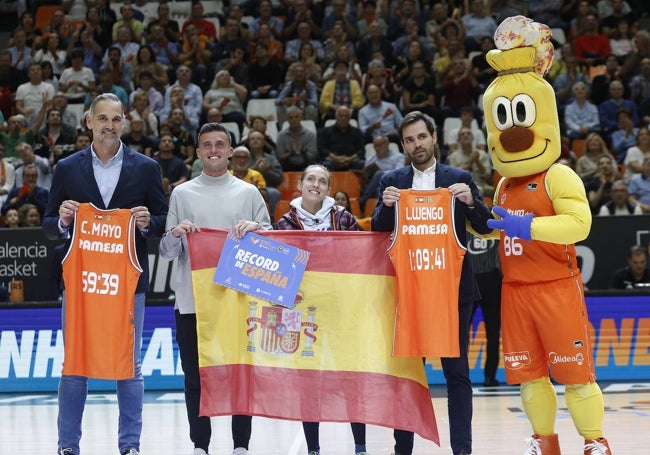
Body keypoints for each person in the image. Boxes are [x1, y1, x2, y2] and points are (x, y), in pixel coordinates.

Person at [42, 92, 168, 455]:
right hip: (82, 285)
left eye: (116, 119)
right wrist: (64, 220)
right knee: (75, 361)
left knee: (129, 364)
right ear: (89, 122)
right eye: (102, 119)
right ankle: (68, 446)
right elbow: (49, 227)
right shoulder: (66, 168)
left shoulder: (145, 167)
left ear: (124, 122)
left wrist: (147, 223)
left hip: (128, 286)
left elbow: (161, 222)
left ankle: (129, 446)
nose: (109, 126)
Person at [371, 111, 493, 455]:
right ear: (403, 145)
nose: (416, 145)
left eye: (421, 137)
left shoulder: (459, 178)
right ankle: (403, 450)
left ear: (434, 137)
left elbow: (485, 227)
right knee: (409, 375)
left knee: (457, 374)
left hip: (454, 292)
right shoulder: (391, 181)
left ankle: (462, 450)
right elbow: (379, 231)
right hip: (409, 293)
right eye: (409, 140)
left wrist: (471, 201)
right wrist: (385, 205)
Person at [159, 122, 271, 455]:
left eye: (219, 144)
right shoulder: (181, 194)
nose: (213, 150)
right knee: (194, 379)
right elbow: (166, 252)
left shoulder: (249, 193)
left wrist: (256, 229)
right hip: (192, 303)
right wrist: (176, 232)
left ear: (230, 151)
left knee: (240, 375)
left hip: (239, 303)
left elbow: (273, 245)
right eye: (206, 145)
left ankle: (240, 445)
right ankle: (200, 445)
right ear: (197, 153)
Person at [274, 164, 368, 455]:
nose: (316, 185)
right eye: (311, 179)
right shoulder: (284, 224)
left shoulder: (344, 218)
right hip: (302, 314)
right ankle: (314, 448)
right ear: (299, 184)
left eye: (323, 181)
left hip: (341, 311)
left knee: (351, 377)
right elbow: (278, 274)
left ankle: (361, 446)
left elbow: (360, 261)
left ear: (329, 189)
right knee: (308, 382)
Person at [467, 232, 501, 387]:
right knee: (492, 333)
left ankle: (466, 376)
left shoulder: (464, 225)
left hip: (475, 279)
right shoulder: (495, 226)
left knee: (464, 333)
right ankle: (489, 377)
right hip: (487, 280)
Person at [317, 105, 365, 171]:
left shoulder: (357, 132)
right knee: (325, 165)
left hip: (351, 161)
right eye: (341, 116)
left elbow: (361, 150)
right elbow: (322, 149)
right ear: (336, 117)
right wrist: (334, 157)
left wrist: (351, 158)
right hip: (332, 161)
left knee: (363, 164)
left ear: (350, 118)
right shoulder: (326, 131)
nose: (343, 118)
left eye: (346, 116)